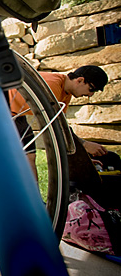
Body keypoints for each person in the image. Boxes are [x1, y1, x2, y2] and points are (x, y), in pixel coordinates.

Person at [9, 65, 120, 208]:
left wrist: (84, 160)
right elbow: (54, 127)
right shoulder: (53, 86)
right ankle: (30, 203)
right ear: (80, 80)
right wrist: (85, 145)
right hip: (3, 108)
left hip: (16, 115)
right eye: (91, 89)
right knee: (25, 157)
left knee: (29, 156)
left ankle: (34, 202)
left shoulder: (65, 92)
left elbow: (63, 129)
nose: (90, 95)